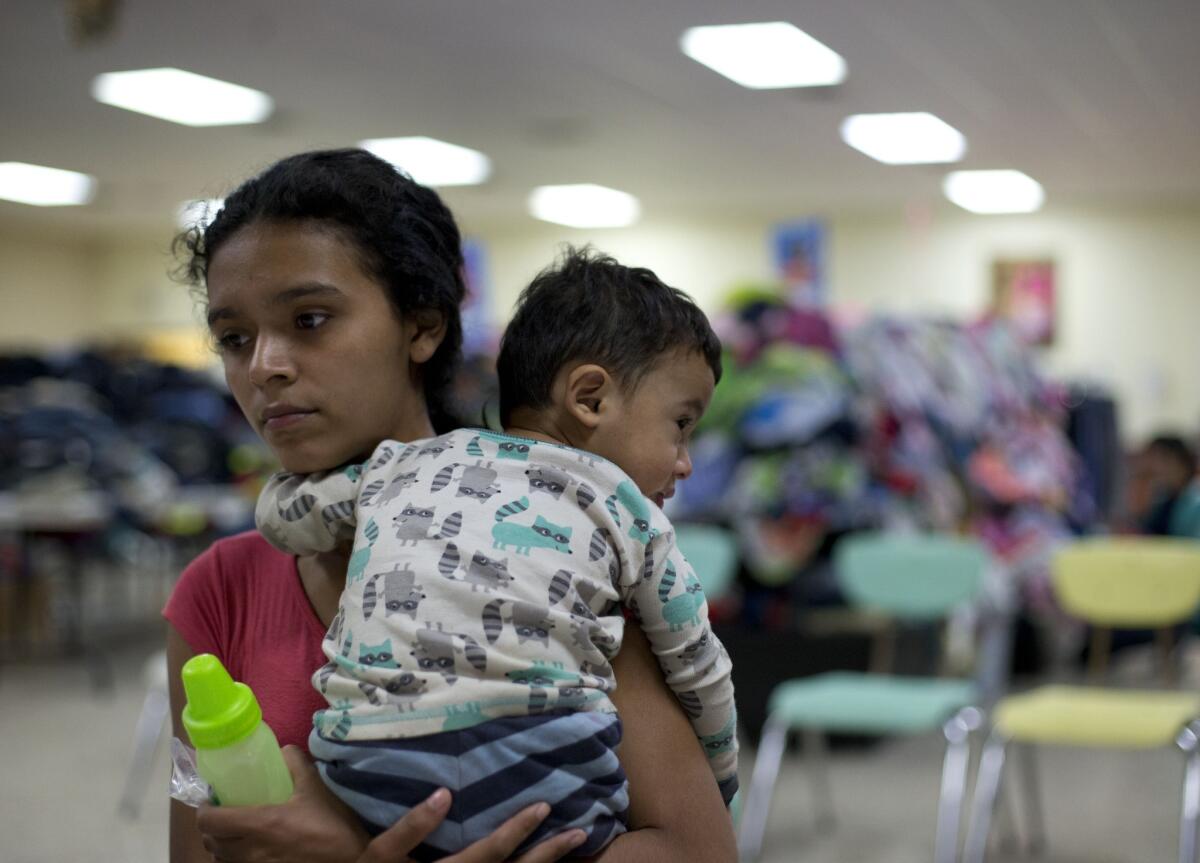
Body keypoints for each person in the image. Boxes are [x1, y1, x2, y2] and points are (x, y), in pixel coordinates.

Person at [165, 148, 735, 863]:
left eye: (310, 319)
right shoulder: (219, 592)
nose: (264, 366)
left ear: (422, 326)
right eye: (233, 338)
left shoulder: (546, 542)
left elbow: (701, 850)